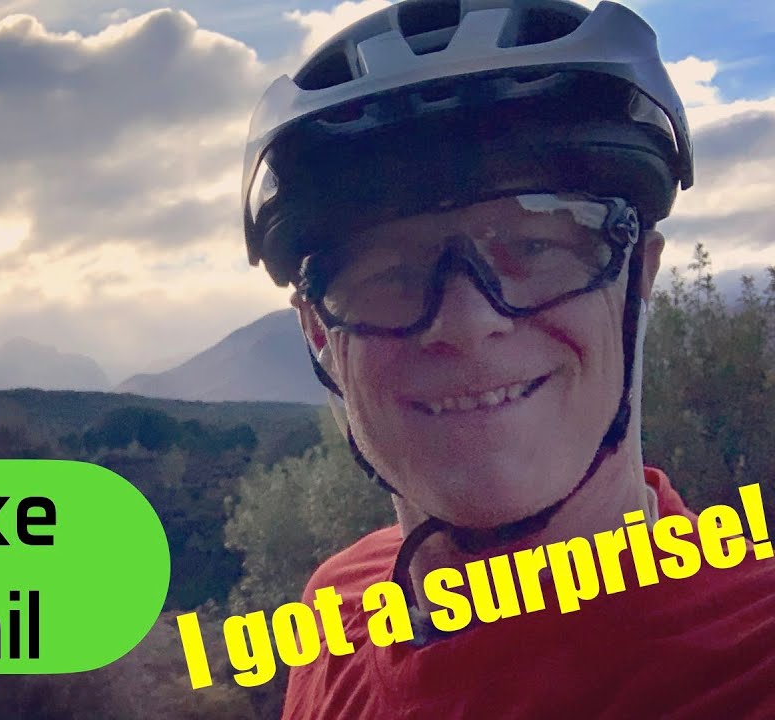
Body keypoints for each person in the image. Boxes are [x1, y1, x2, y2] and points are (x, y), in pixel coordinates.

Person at [241, 0, 775, 717]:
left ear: (637, 278)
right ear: (318, 333)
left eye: (533, 247)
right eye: (390, 272)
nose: (467, 322)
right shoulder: (338, 610)